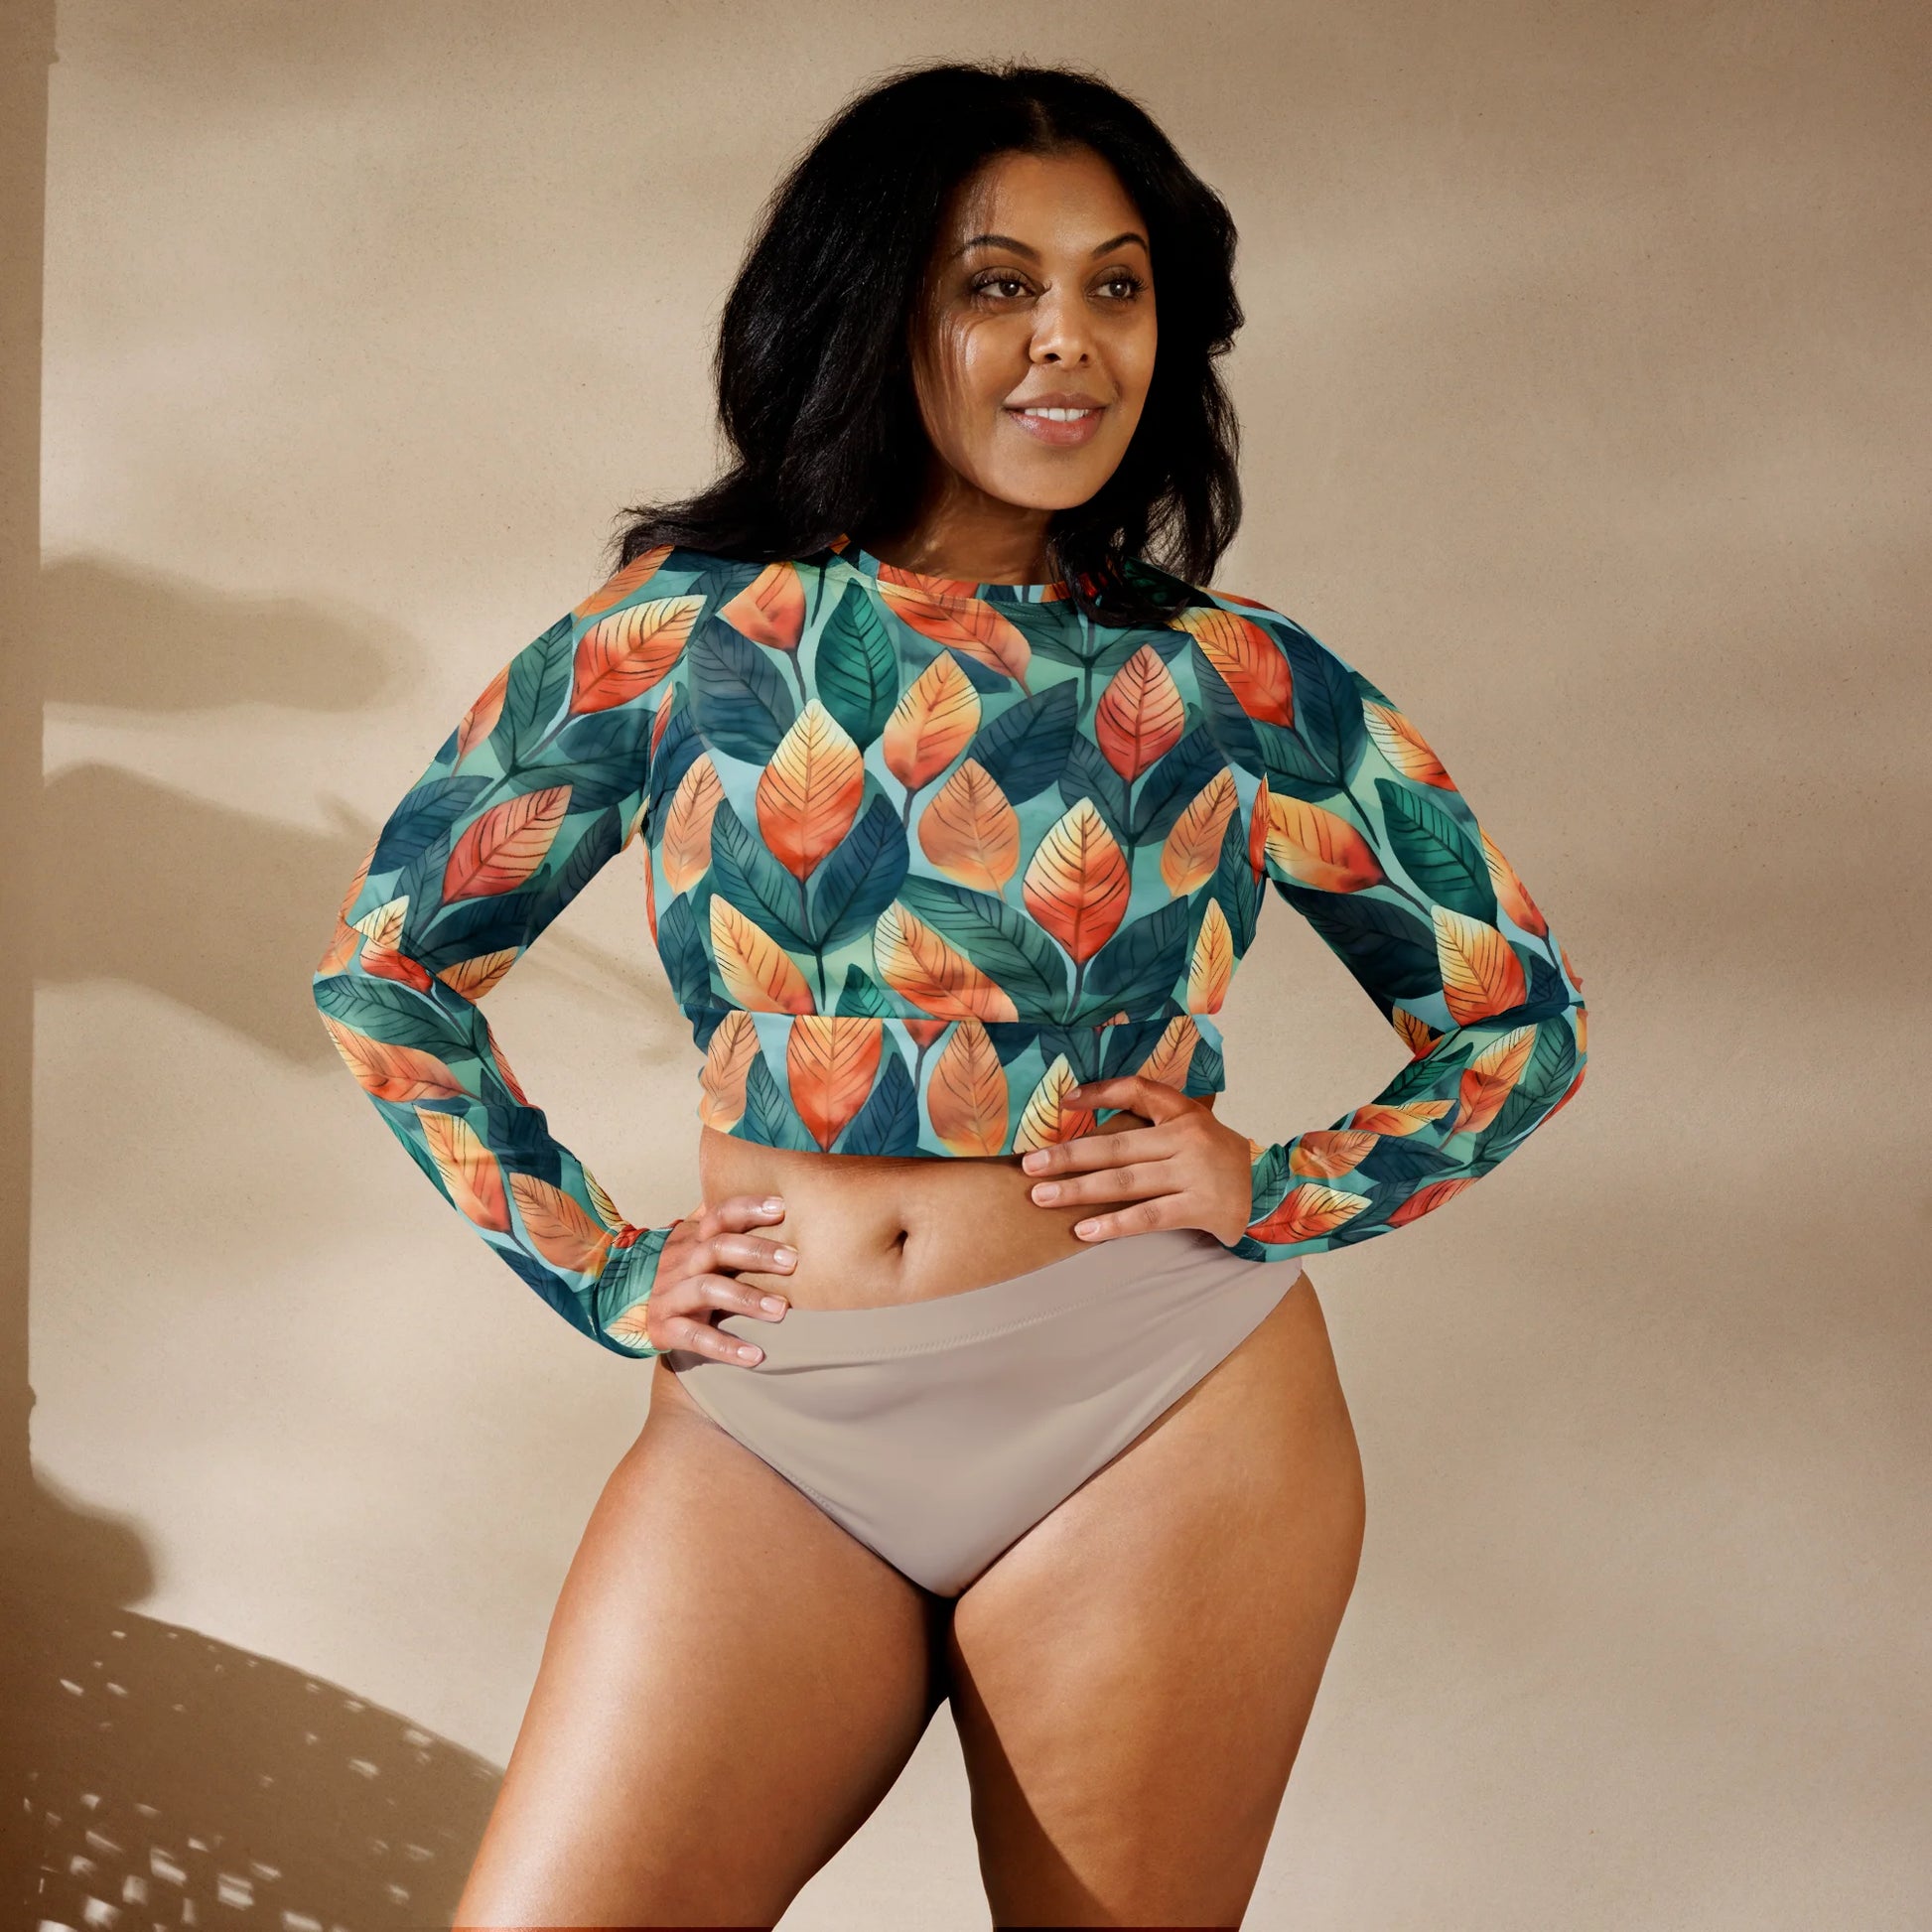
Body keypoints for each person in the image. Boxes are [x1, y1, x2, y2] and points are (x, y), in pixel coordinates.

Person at [312, 60, 1588, 1930]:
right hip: (771, 1412)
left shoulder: (1235, 678)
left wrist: (1284, 1185)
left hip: (1155, 1398)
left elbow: (1515, 1016)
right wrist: (596, 1262)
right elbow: (394, 968)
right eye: (998, 285)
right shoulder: (679, 631)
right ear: (869, 308)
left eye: (1115, 287)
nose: (1069, 340)